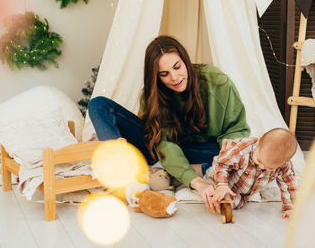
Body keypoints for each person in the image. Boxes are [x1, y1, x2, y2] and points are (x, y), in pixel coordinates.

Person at [88, 35, 250, 211]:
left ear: (185, 60)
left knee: (244, 155)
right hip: (162, 149)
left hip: (204, 151)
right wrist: (198, 183)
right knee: (98, 104)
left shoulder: (217, 82)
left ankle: (168, 171)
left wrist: (226, 161)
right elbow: (165, 144)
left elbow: (237, 129)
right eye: (164, 74)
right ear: (156, 77)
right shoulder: (152, 97)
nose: (174, 77)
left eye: (177, 67)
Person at [209, 128, 298, 218]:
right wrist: (222, 184)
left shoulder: (283, 164)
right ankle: (204, 170)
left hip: (244, 192)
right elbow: (221, 164)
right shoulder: (241, 151)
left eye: (269, 168)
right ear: (258, 142)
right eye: (259, 161)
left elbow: (289, 184)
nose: (262, 167)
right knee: (216, 194)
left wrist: (290, 207)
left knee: (236, 204)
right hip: (225, 178)